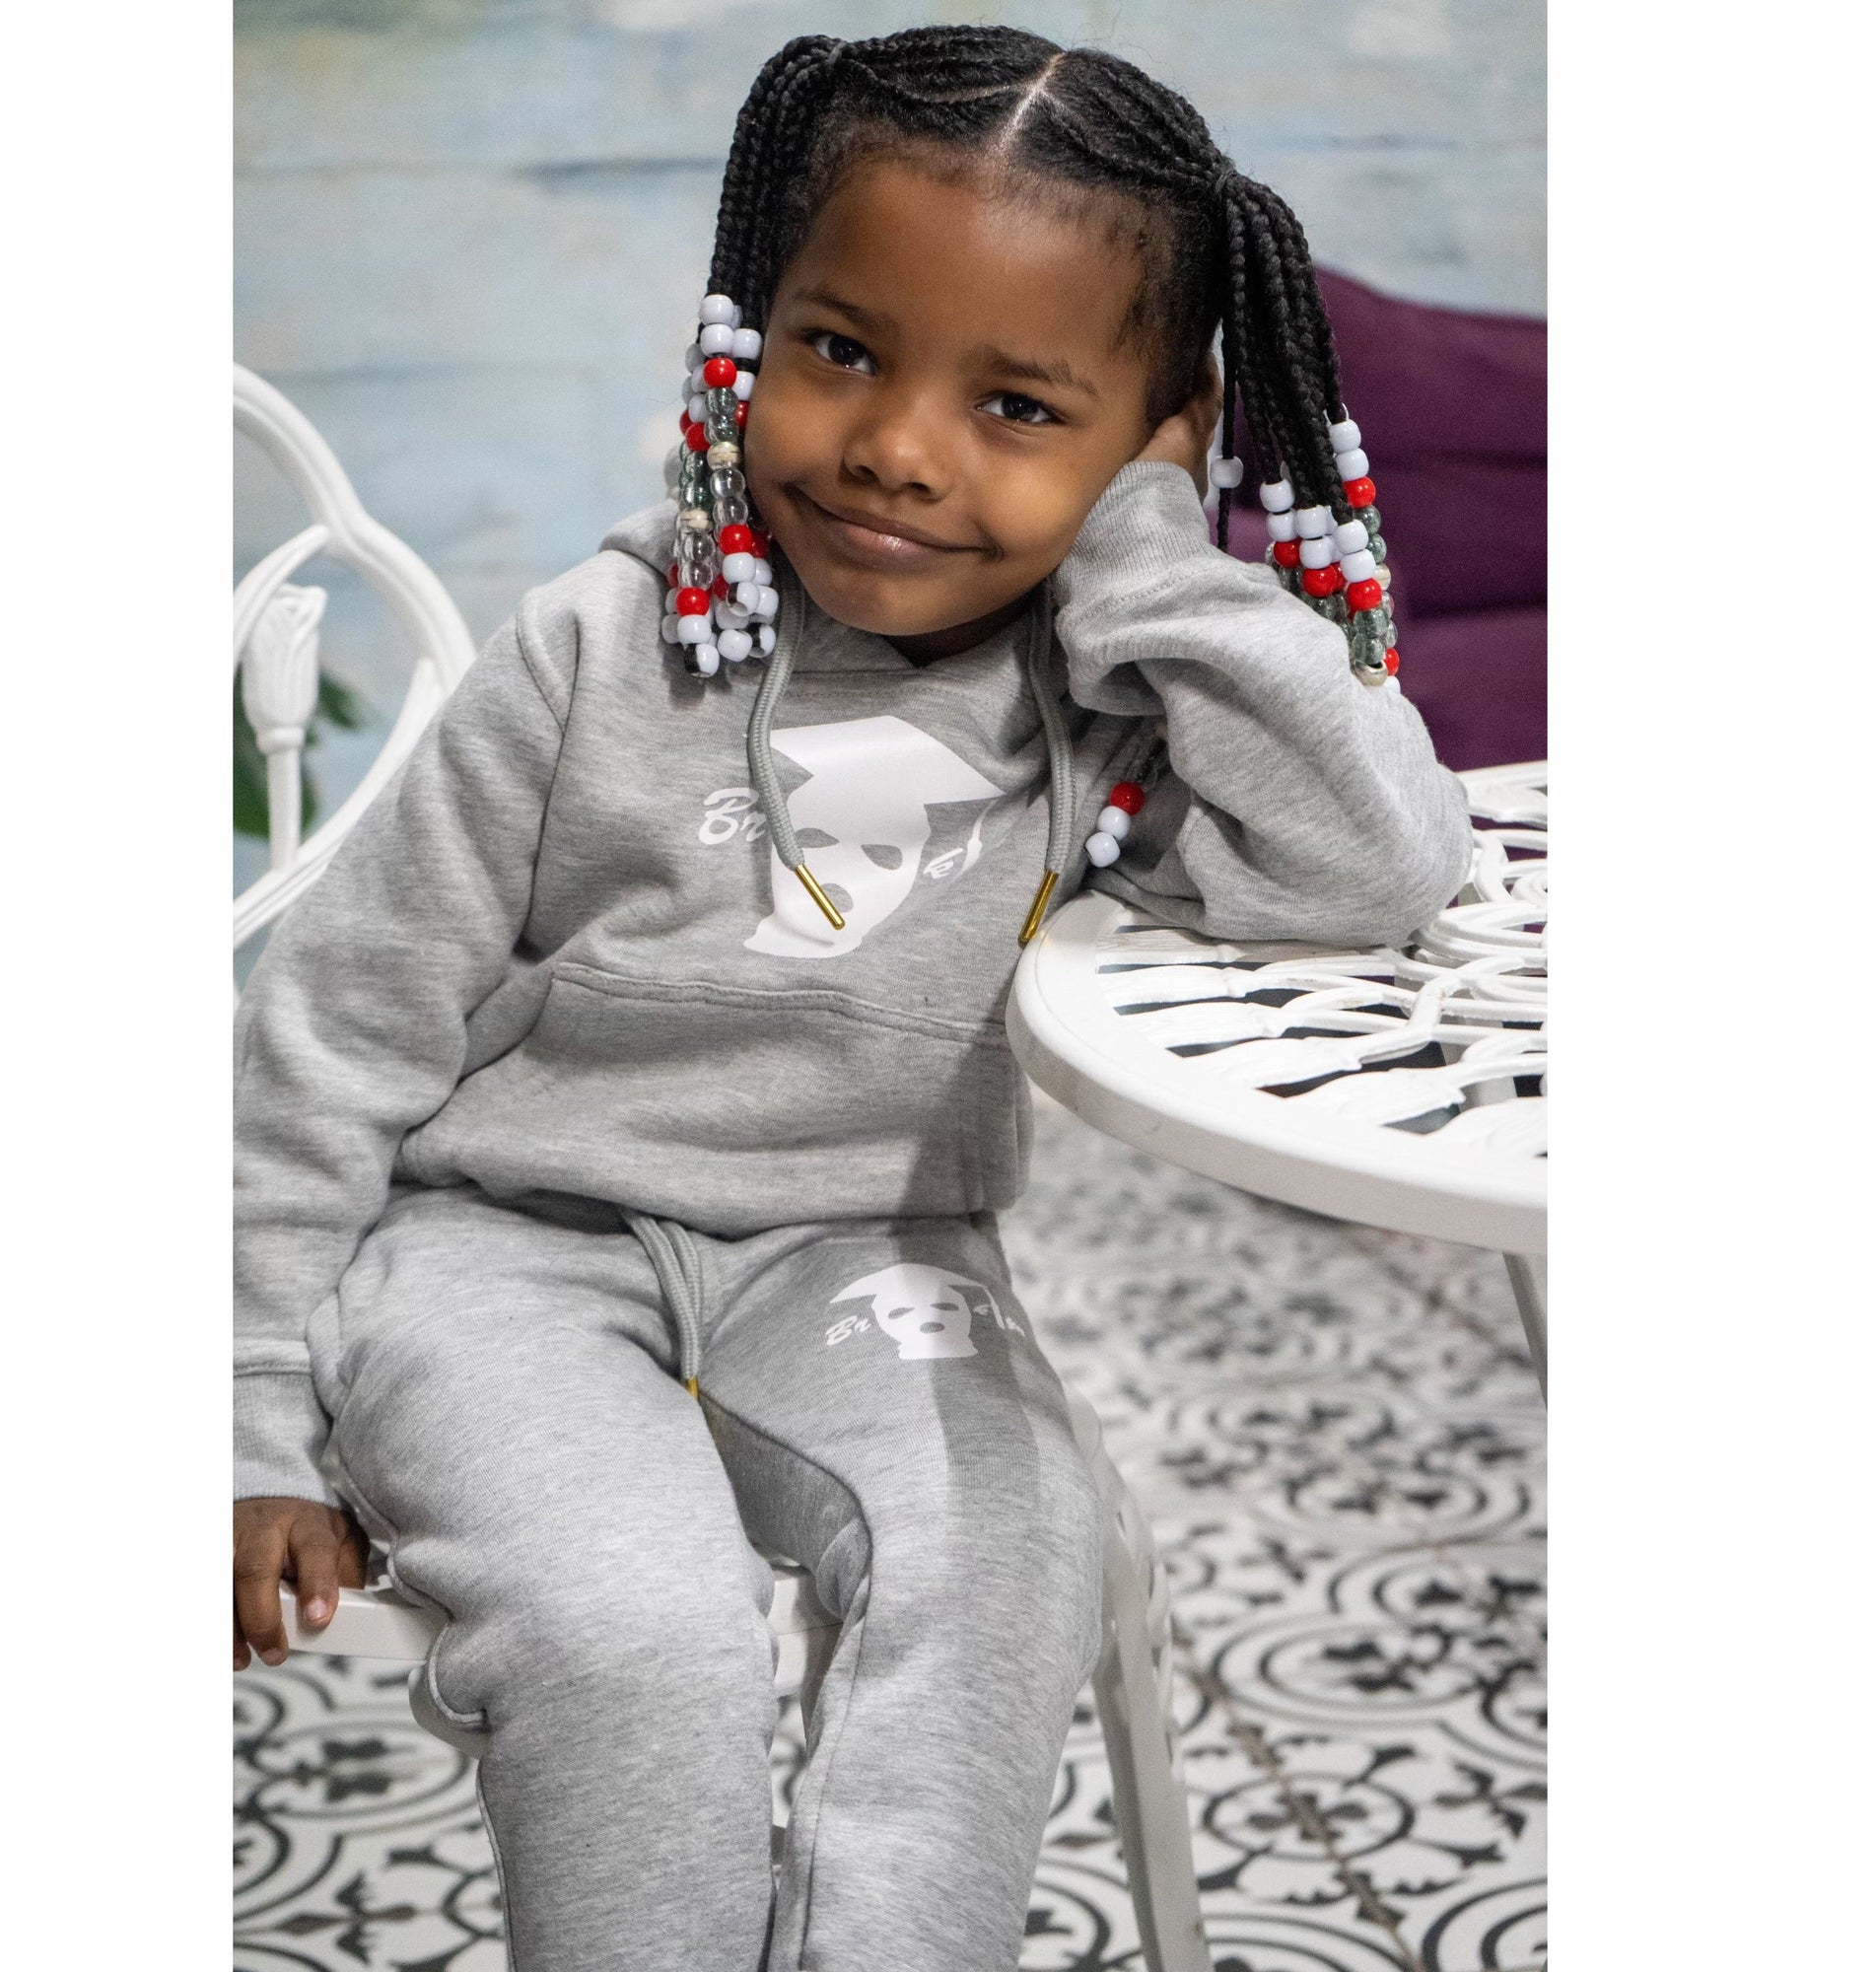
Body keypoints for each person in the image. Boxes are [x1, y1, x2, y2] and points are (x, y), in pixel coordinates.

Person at [232, 25, 1472, 1971]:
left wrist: (1153, 557)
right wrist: (241, 1420)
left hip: (862, 1255)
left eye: (1019, 404)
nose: (898, 445)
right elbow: (332, 1032)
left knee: (1007, 1550)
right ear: (752, 327)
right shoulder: (594, 651)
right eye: (840, 350)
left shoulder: (1108, 710)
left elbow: (1377, 861)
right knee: (630, 1622)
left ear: (1156, 437)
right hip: (500, 1256)